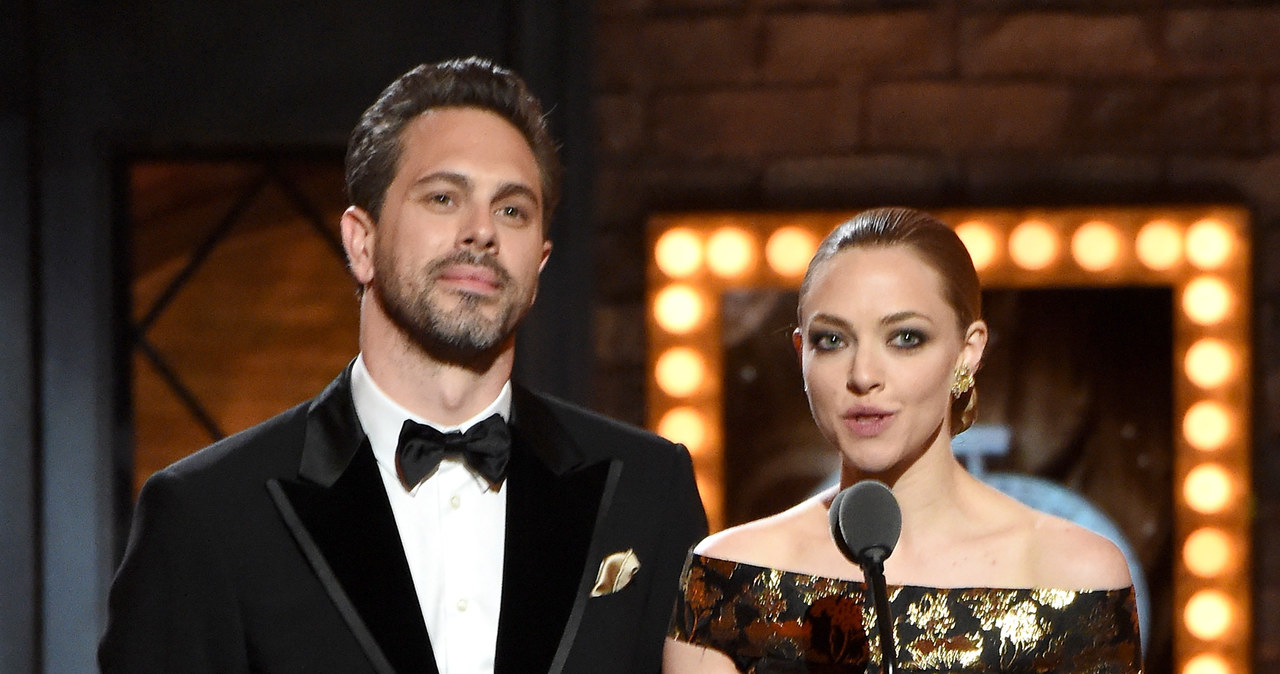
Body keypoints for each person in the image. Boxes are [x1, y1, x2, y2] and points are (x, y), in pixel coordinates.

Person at [100, 56, 707, 674]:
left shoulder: (648, 491)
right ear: (362, 242)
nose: (481, 232)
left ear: (540, 263)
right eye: (444, 198)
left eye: (512, 210)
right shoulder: (209, 515)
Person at [664, 207, 1142, 673]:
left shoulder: (1074, 574)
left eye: (905, 338)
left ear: (967, 352)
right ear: (801, 355)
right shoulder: (728, 578)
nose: (864, 375)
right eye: (832, 341)